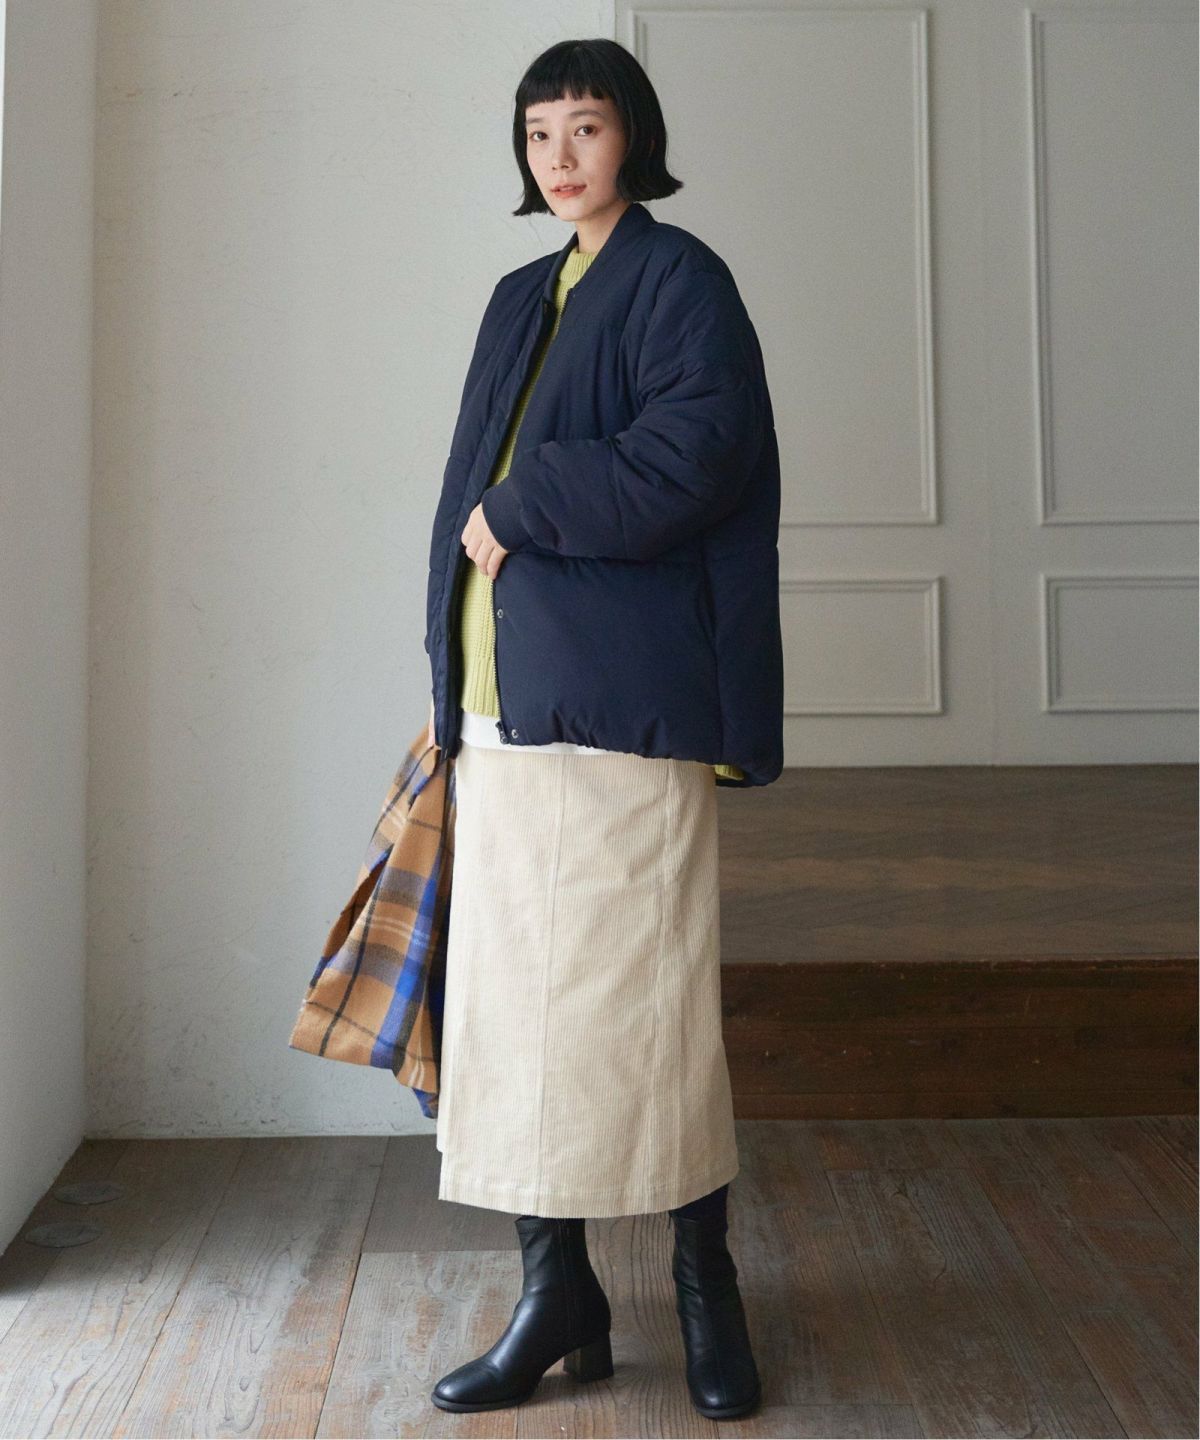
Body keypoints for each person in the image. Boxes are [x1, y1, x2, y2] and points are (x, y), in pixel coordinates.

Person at [422, 37, 782, 1420]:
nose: (561, 156)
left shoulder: (681, 280)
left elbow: (699, 456)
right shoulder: (519, 297)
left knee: (649, 1006)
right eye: (539, 134)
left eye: (585, 127)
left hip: (621, 706)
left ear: (634, 134)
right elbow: (466, 489)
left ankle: (703, 1284)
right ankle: (555, 1290)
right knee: (516, 1017)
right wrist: (447, 677)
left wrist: (526, 504)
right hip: (502, 707)